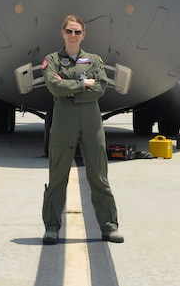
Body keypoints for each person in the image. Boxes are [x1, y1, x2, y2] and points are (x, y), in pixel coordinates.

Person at [40, 14, 123, 244]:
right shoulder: (52, 59)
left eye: (77, 32)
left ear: (83, 34)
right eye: (69, 31)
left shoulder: (94, 60)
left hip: (91, 122)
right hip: (64, 122)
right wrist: (82, 84)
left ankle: (109, 226)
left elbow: (101, 88)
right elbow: (54, 87)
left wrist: (69, 88)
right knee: (57, 176)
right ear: (62, 33)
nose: (73, 35)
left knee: (98, 175)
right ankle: (52, 227)